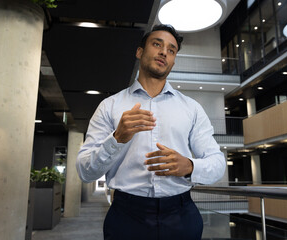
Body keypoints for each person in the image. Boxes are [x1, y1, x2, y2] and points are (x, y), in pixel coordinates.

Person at [76, 24, 226, 240]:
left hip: (181, 214)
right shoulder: (110, 106)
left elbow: (217, 163)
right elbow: (85, 171)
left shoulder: (191, 108)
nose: (164, 52)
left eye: (171, 50)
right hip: (126, 216)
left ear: (173, 60)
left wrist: (190, 166)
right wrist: (117, 139)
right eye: (157, 44)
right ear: (140, 52)